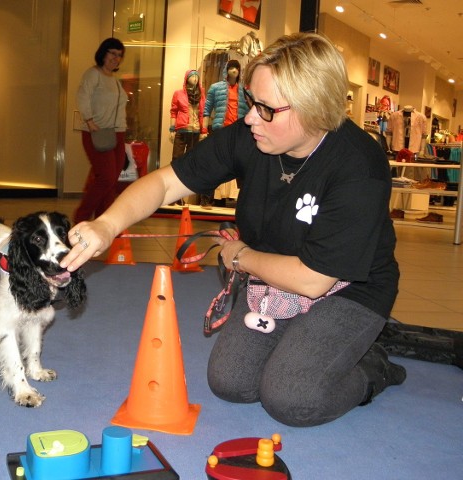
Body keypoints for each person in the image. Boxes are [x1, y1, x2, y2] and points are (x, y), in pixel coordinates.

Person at [61, 32, 405, 428]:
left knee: (291, 398)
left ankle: (373, 366)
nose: (249, 117)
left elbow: (313, 281)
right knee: (231, 383)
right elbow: (166, 183)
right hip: (274, 278)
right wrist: (107, 225)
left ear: (313, 109)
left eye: (265, 108)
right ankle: (307, 339)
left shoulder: (358, 165)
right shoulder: (250, 137)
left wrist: (240, 256)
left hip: (348, 289)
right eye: (250, 103)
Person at [74, 37, 128, 224]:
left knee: (112, 180)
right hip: (97, 132)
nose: (116, 58)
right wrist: (89, 121)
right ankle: (81, 217)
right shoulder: (93, 74)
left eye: (119, 55)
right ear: (103, 53)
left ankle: (102, 222)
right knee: (105, 178)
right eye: (112, 53)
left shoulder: (115, 80)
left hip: (117, 133)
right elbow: (82, 96)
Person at [203, 59, 249, 207]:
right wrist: (204, 129)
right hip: (221, 130)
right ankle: (208, 198)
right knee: (216, 164)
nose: (234, 70)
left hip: (238, 131)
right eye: (232, 67)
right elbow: (207, 108)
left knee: (241, 165)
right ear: (226, 70)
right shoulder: (216, 88)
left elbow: (250, 109)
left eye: (237, 68)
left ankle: (243, 199)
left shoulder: (244, 90)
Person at [169, 69, 207, 205]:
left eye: (197, 76)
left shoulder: (201, 94)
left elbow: (203, 113)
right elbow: (173, 111)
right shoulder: (178, 94)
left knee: (191, 164)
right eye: (192, 76)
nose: (195, 78)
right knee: (177, 161)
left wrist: (204, 130)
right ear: (187, 79)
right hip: (182, 130)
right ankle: (173, 195)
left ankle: (183, 194)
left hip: (195, 132)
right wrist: (172, 129)